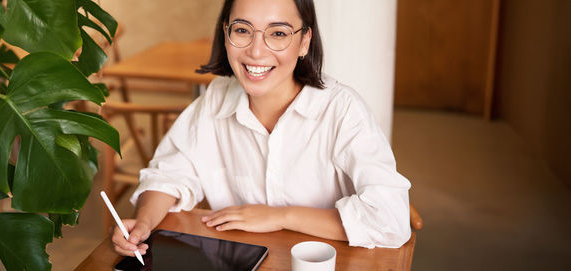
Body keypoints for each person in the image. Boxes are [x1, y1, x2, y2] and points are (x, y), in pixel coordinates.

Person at [111, 0, 412, 257]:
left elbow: (390, 219)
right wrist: (145, 222)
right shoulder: (216, 99)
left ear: (305, 40)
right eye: (242, 30)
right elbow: (170, 173)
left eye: (278, 33)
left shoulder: (342, 110)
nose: (256, 52)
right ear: (225, 32)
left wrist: (281, 216)